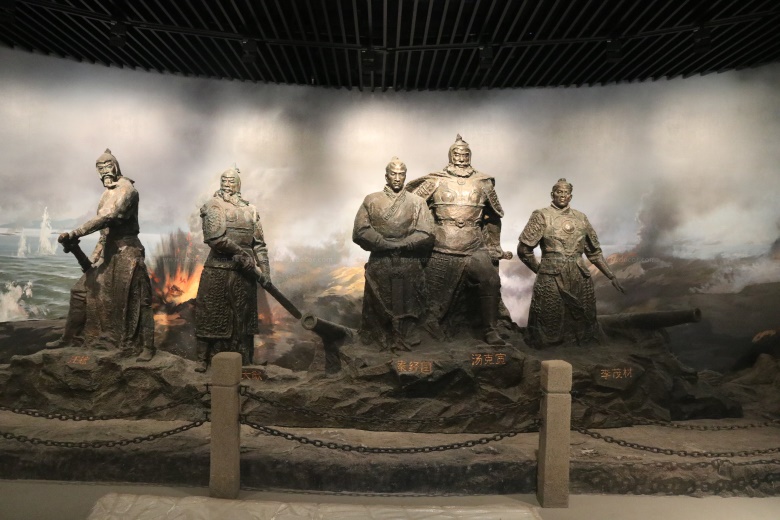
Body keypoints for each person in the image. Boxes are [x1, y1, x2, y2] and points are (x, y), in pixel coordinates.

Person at [47, 149, 155, 361]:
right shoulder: (106, 194)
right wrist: (93, 255)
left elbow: (107, 218)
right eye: (100, 168)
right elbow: (105, 232)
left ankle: (148, 347)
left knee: (140, 300)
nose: (104, 171)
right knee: (80, 291)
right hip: (109, 253)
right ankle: (70, 338)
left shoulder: (127, 190)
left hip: (128, 253)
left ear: (116, 167)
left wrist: (76, 233)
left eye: (108, 166)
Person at [406, 135, 509, 345]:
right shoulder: (435, 180)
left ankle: (491, 330)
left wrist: (494, 246)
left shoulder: (483, 182)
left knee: (490, 280)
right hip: (441, 247)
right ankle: (425, 333)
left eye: (465, 154)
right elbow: (411, 206)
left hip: (474, 246)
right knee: (433, 299)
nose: (461, 158)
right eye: (457, 154)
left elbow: (494, 217)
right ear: (450, 156)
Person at [517, 178, 625, 347]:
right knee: (548, 324)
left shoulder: (581, 218)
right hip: (551, 278)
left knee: (583, 325)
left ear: (570, 196)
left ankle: (581, 349)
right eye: (559, 192)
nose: (562, 195)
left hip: (579, 276)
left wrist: (611, 276)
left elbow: (594, 253)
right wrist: (542, 270)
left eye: (566, 193)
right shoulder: (541, 215)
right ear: (552, 194)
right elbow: (524, 250)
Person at [353, 157, 435, 350]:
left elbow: (427, 232)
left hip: (409, 261)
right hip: (380, 261)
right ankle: (379, 341)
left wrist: (404, 243)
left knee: (411, 305)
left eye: (401, 174)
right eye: (393, 174)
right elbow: (360, 230)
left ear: (405, 176)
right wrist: (383, 243)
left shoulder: (417, 202)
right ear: (386, 176)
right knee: (379, 304)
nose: (397, 178)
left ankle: (410, 339)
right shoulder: (372, 200)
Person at [194, 166, 270, 371]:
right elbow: (215, 238)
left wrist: (266, 272)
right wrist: (241, 253)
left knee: (243, 319)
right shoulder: (213, 205)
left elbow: (259, 244)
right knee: (210, 314)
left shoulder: (251, 210)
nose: (227, 184)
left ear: (238, 184)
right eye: (224, 180)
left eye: (231, 181)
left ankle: (244, 361)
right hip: (218, 269)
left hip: (245, 274)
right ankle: (203, 359)